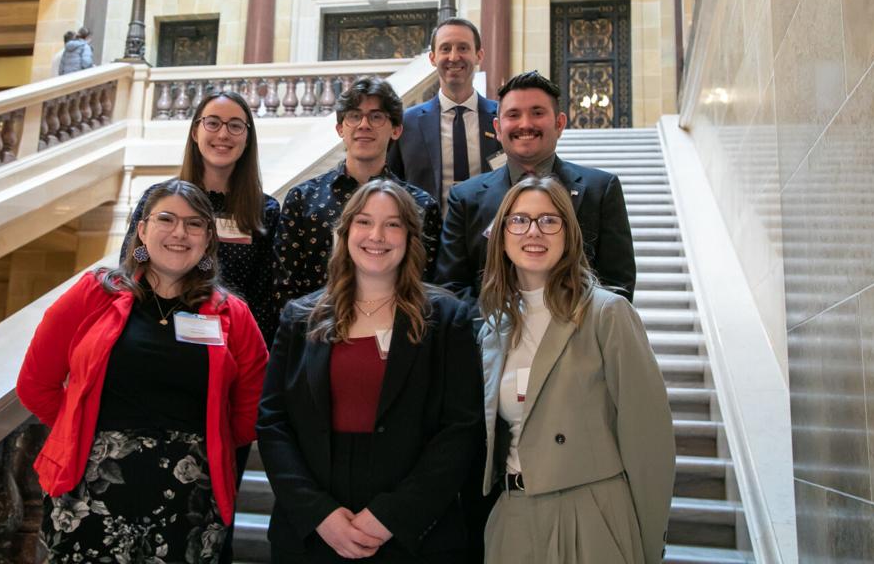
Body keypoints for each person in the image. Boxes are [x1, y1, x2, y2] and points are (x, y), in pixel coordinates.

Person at [16, 179, 268, 564]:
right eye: (166, 218)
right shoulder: (92, 295)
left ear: (207, 241)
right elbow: (35, 385)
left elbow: (252, 408)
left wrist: (205, 442)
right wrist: (79, 425)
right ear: (142, 230)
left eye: (195, 224)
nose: (180, 232)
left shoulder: (233, 315)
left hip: (190, 496)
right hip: (91, 488)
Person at [258, 179, 483, 563]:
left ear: (411, 237)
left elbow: (462, 427)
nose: (377, 235)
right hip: (313, 534)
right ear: (345, 233)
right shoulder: (300, 317)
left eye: (393, 224)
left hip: (414, 535)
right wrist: (319, 515)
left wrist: (392, 515)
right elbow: (273, 422)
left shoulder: (446, 318)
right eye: (364, 222)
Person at [476, 175, 673, 563]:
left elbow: (650, 441)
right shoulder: (494, 328)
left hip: (593, 513)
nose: (534, 231)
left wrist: (649, 542)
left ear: (569, 234)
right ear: (501, 235)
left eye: (549, 220)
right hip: (514, 515)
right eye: (519, 220)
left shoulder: (607, 314)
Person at [435, 70, 636, 301]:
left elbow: (618, 284)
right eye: (513, 115)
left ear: (560, 123)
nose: (526, 124)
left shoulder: (600, 190)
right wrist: (500, 329)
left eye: (537, 113)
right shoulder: (465, 198)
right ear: (498, 129)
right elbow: (451, 288)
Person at [122, 90, 281, 344]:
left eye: (236, 126)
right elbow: (131, 267)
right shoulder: (157, 198)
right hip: (153, 333)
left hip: (232, 344)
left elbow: (265, 299)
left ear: (248, 138)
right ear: (196, 132)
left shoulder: (266, 211)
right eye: (213, 123)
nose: (223, 134)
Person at [275, 76, 441, 305]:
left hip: (396, 331)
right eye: (354, 116)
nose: (364, 124)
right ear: (340, 128)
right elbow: (283, 287)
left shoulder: (421, 205)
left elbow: (427, 287)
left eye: (376, 116)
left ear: (396, 130)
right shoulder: (302, 199)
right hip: (316, 331)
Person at [387, 17, 502, 207]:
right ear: (432, 58)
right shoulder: (407, 124)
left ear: (479, 55)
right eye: (445, 48)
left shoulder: (502, 118)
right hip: (426, 235)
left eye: (463, 48)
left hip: (489, 234)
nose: (454, 57)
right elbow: (392, 186)